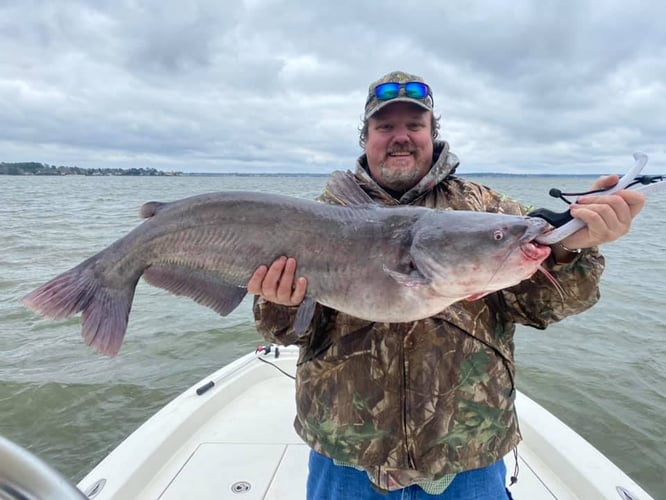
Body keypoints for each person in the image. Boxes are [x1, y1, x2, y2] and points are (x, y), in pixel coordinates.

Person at [247, 71, 646, 499]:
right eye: (385, 126)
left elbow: (545, 307)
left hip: (466, 454)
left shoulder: (489, 209)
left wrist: (572, 250)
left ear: (433, 134)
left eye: (415, 126)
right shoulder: (320, 218)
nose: (401, 137)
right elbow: (280, 332)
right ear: (365, 138)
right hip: (347, 454)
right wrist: (280, 304)